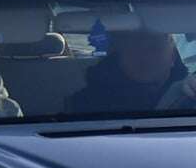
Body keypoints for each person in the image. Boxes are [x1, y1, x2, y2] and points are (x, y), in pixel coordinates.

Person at [67, 30, 196, 114]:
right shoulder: (86, 104)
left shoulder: (188, 93)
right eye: (134, 50)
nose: (145, 57)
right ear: (119, 57)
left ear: (173, 57)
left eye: (154, 48)